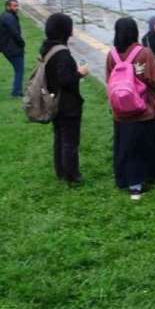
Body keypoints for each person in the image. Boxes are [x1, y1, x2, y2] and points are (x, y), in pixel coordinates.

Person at [107, 18, 155, 201]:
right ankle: (152, 175)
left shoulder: (111, 55)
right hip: (144, 109)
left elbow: (108, 79)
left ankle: (129, 181)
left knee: (126, 147)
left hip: (120, 112)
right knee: (148, 144)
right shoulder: (143, 53)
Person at [41, 13, 89, 185]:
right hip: (67, 103)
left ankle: (61, 170)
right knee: (70, 140)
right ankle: (72, 175)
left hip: (54, 101)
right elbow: (65, 79)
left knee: (59, 137)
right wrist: (80, 73)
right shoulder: (62, 52)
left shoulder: (48, 48)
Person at [0, 0, 25, 97]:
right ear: (7, 7)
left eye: (17, 5)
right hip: (12, 49)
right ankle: (16, 92)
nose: (16, 8)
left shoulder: (7, 16)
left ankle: (17, 91)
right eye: (14, 6)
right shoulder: (8, 17)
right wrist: (22, 43)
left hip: (9, 48)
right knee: (19, 70)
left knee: (18, 70)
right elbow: (15, 33)